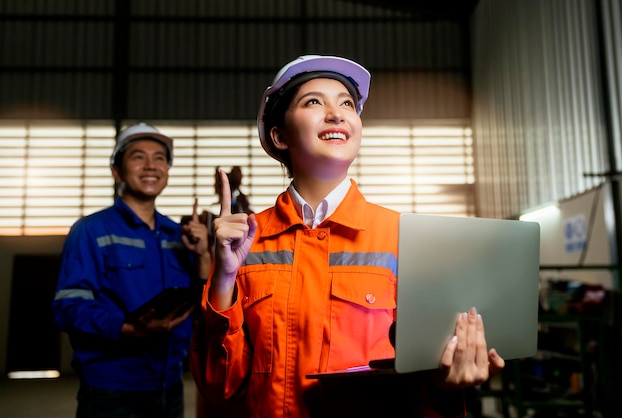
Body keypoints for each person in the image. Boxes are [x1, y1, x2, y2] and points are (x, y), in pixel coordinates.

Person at [190, 55, 505, 418]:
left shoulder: (405, 236)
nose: (336, 113)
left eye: (346, 104)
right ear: (279, 135)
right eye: (313, 102)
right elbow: (220, 385)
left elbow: (425, 374)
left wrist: (448, 380)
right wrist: (224, 279)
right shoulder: (245, 242)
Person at [52, 122, 212, 418]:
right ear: (117, 172)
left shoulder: (179, 235)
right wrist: (128, 330)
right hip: (111, 389)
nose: (151, 165)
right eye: (138, 156)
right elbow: (68, 308)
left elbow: (202, 307)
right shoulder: (90, 231)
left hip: (170, 384)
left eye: (160, 157)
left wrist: (204, 256)